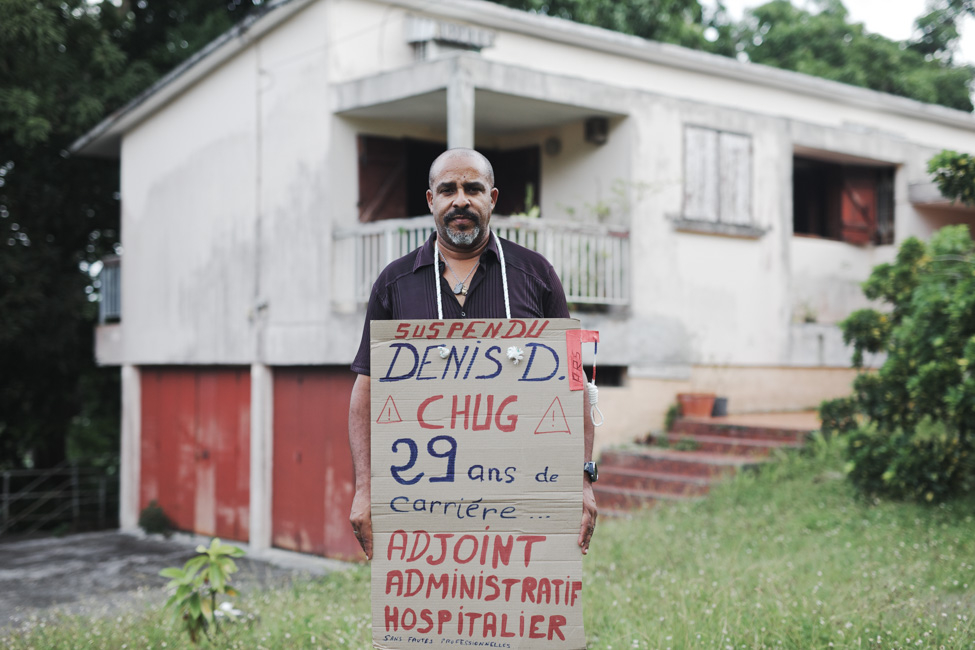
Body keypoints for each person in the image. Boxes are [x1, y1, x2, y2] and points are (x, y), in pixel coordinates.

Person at [347, 148, 597, 560]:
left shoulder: (536, 276)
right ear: (431, 201)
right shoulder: (394, 284)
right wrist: (364, 488)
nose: (460, 199)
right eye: (447, 189)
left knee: (516, 617)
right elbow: (367, 389)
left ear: (492, 198)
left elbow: (574, 384)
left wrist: (582, 479)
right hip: (423, 500)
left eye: (472, 188)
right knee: (432, 617)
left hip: (521, 495)